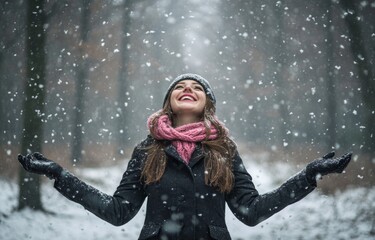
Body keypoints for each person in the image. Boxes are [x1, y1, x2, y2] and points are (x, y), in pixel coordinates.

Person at [18, 73, 352, 240]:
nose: (187, 89)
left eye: (196, 87)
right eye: (179, 87)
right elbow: (118, 212)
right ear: (169, 103)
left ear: (207, 104)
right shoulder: (148, 150)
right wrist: (59, 175)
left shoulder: (224, 150)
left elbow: (251, 211)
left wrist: (310, 175)